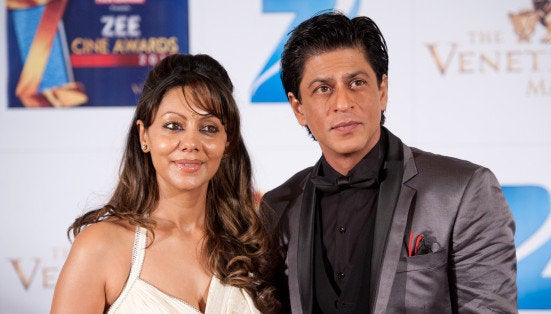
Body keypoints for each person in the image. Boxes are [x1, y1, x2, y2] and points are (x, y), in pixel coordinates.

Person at [260, 12, 518, 313]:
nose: (343, 103)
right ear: (298, 108)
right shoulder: (277, 206)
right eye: (323, 89)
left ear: (382, 91)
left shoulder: (463, 190)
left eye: (356, 83)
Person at [51, 54, 280, 313]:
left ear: (227, 143)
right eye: (173, 126)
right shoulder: (101, 246)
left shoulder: (252, 246)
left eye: (208, 128)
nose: (191, 143)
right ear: (144, 135)